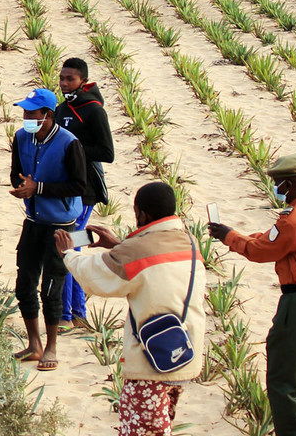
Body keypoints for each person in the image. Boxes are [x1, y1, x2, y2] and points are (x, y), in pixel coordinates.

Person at [56, 182, 205, 436]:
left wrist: (68, 253)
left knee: (142, 430)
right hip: (184, 353)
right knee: (162, 425)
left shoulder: (135, 250)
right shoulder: (189, 242)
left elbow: (95, 277)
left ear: (142, 214)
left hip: (151, 361)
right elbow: (153, 265)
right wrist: (117, 245)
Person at [209, 155, 296, 436]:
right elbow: (273, 239)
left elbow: (262, 251)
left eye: (278, 183)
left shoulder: (294, 220)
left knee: (284, 380)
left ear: (290, 183)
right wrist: (238, 234)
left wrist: (229, 237)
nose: (277, 188)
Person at [8, 88, 87, 371]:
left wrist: (38, 188)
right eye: (25, 112)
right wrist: (21, 189)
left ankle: (51, 346)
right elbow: (17, 172)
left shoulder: (69, 143)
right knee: (24, 284)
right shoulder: (20, 137)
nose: (27, 117)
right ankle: (33, 344)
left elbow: (79, 185)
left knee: (52, 287)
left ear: (48, 115)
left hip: (61, 225)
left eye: (33, 113)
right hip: (34, 221)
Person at [53, 57, 114, 333]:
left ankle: (68, 314)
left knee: (69, 245)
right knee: (71, 247)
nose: (65, 84)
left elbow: (107, 153)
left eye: (70, 79)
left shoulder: (94, 111)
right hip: (63, 189)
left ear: (83, 81)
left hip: (85, 191)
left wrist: (73, 151)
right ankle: (76, 313)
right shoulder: (61, 109)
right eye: (62, 78)